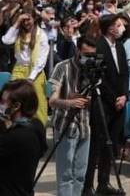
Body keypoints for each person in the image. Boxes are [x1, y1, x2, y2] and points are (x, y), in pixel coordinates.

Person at [48, 36, 97, 196]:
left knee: (80, 174)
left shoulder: (93, 70)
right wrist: (70, 102)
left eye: (92, 55)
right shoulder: (62, 67)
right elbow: (51, 100)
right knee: (65, 174)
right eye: (86, 54)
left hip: (85, 125)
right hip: (65, 124)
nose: (88, 58)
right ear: (77, 50)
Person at [86, 14, 128, 196]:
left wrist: (124, 95)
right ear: (110, 28)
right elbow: (99, 78)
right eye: (118, 25)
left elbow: (125, 73)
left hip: (119, 102)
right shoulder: (98, 46)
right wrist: (113, 98)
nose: (121, 28)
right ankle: (87, 185)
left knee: (110, 144)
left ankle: (104, 182)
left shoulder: (119, 46)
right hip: (103, 101)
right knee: (97, 144)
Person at [2, 9, 50, 126]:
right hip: (19, 69)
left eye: (28, 19)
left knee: (37, 102)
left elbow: (41, 60)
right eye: (23, 20)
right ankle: (13, 127)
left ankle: (40, 129)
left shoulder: (41, 34)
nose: (26, 22)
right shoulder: (18, 32)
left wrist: (31, 78)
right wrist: (17, 22)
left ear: (34, 19)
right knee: (14, 100)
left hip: (35, 72)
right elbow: (6, 40)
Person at [0, 79, 47, 196]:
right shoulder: (36, 125)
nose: (0, 105)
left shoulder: (17, 136)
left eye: (3, 102)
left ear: (16, 106)